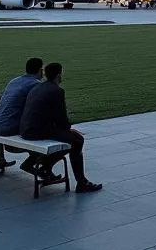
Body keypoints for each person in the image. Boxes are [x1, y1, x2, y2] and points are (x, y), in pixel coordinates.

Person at [21, 62, 102, 193]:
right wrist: (68, 130)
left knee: (71, 139)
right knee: (77, 140)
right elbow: (62, 118)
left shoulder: (38, 87)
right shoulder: (57, 91)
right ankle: (81, 182)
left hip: (27, 128)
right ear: (59, 74)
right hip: (37, 130)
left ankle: (46, 166)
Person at [0, 58, 55, 178]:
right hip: (10, 127)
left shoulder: (14, 81)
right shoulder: (35, 84)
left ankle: (35, 161)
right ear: (40, 70)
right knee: (48, 132)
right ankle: (36, 163)